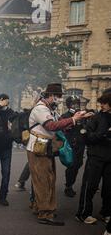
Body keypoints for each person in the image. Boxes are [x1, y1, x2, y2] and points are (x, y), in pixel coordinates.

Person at [26, 83, 92, 226]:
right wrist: (74, 119)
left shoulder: (48, 109)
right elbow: (51, 126)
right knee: (44, 180)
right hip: (39, 148)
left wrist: (76, 118)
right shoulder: (41, 109)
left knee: (48, 178)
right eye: (58, 96)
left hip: (44, 147)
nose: (59, 100)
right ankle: (45, 213)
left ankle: (40, 208)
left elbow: (59, 124)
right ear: (50, 96)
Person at [76, 90, 111, 225]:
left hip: (109, 158)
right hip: (95, 157)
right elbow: (88, 137)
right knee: (90, 186)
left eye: (104, 103)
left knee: (109, 188)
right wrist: (103, 134)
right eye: (101, 103)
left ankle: (106, 212)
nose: (101, 105)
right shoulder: (95, 118)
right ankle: (83, 213)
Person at [0, 94, 18, 206]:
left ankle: (3, 195)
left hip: (7, 148)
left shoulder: (11, 112)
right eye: (3, 100)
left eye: (7, 100)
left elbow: (16, 123)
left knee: (6, 172)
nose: (6, 102)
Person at [61, 96, 86, 197]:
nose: (76, 106)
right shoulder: (65, 116)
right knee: (71, 166)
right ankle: (68, 186)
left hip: (80, 145)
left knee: (78, 165)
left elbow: (84, 127)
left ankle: (70, 184)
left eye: (77, 103)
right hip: (70, 145)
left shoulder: (82, 115)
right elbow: (63, 130)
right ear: (69, 105)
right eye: (74, 104)